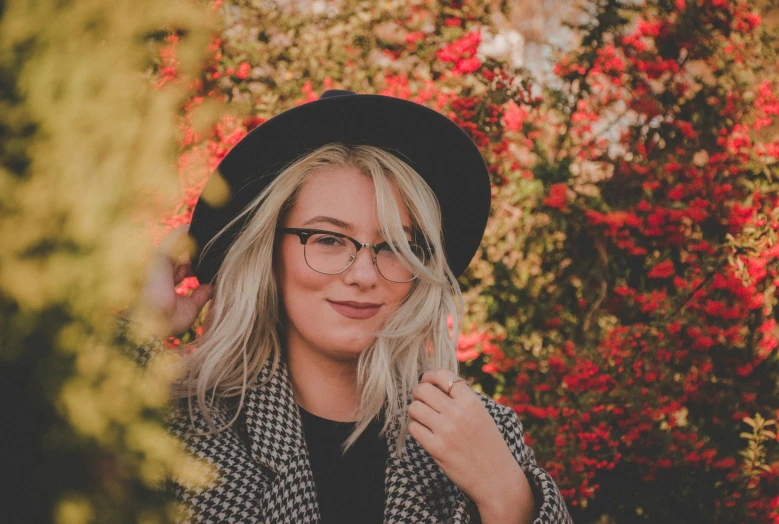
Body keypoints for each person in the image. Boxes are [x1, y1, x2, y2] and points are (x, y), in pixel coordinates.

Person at [118, 90, 573, 523]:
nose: (363, 274)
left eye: (395, 245)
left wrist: (507, 496)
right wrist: (142, 326)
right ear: (270, 254)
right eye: (329, 240)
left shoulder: (485, 434)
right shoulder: (180, 422)